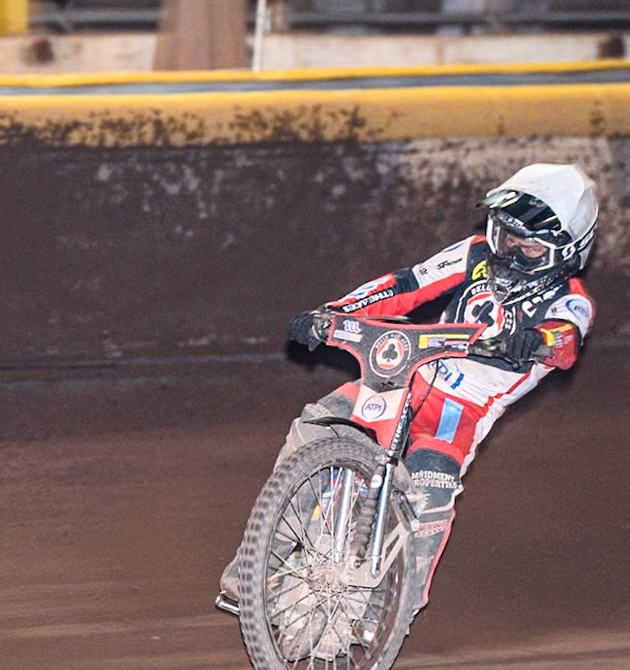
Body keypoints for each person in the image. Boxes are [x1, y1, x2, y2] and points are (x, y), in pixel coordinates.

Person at [219, 162, 597, 616]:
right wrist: (334, 312)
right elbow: (409, 284)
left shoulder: (571, 299)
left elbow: (567, 340)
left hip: (462, 411)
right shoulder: (475, 253)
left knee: (429, 489)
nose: (510, 248)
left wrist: (536, 340)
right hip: (408, 376)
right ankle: (259, 560)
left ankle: (392, 608)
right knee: (319, 425)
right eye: (505, 233)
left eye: (528, 243)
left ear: (567, 250)